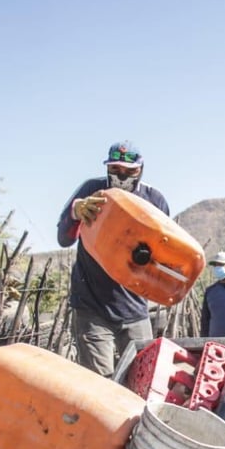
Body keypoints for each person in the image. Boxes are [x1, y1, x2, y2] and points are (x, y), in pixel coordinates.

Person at [57, 141, 169, 377]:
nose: (122, 176)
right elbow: (64, 238)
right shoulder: (92, 190)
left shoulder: (154, 199)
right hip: (92, 307)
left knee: (145, 378)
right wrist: (76, 211)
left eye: (130, 171)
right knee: (101, 383)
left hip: (134, 307)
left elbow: (165, 252)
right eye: (116, 170)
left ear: (141, 169)